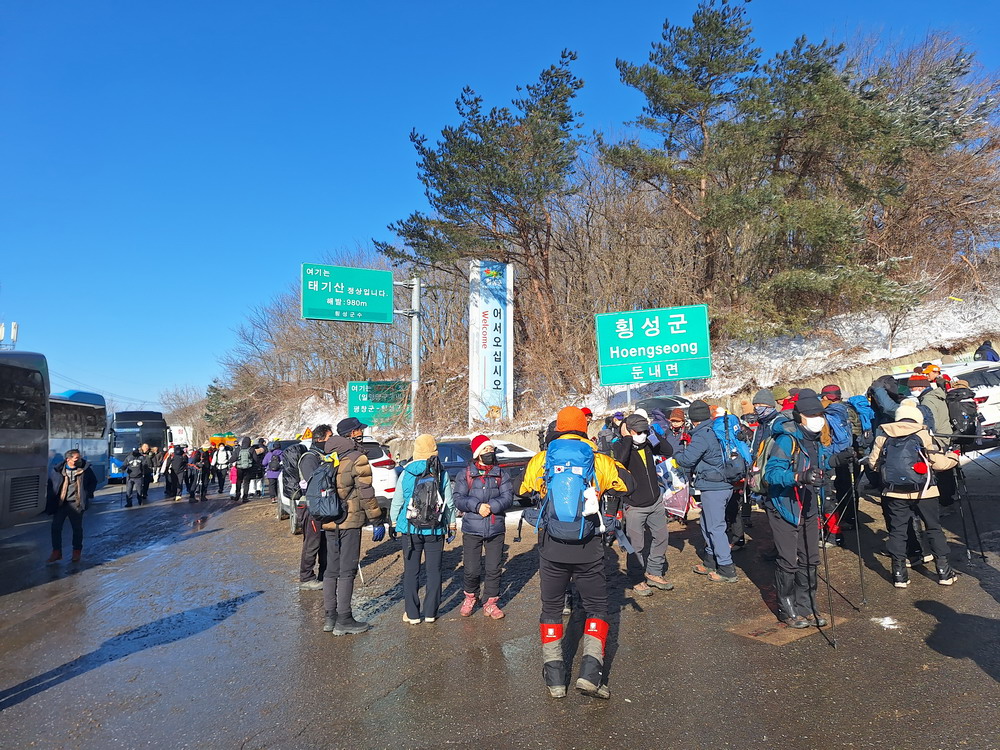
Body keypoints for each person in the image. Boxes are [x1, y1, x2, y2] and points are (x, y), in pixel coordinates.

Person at [519, 406, 627, 700]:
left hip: (552, 546)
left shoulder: (542, 459)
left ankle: (555, 679)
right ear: (584, 428)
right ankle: (591, 675)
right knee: (597, 607)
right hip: (588, 547)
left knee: (552, 609)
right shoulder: (598, 459)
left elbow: (522, 489)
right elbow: (627, 484)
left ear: (558, 429)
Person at [760, 389, 849, 628]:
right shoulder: (787, 439)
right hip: (785, 506)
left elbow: (817, 464)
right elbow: (772, 474)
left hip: (808, 505)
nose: (817, 419)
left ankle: (807, 605)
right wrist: (799, 477)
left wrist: (835, 461)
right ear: (800, 417)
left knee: (811, 558)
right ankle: (786, 608)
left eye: (819, 414)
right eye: (811, 415)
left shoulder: (814, 439)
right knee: (789, 560)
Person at [866, 400, 960, 587]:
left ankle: (899, 575)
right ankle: (944, 572)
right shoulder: (923, 434)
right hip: (924, 491)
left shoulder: (883, 435)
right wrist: (953, 457)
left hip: (893, 492)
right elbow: (939, 464)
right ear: (917, 418)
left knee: (897, 531)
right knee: (933, 528)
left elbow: (873, 464)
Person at [321, 434, 384, 636]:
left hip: (329, 519)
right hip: (350, 520)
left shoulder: (327, 458)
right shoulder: (357, 458)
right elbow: (366, 493)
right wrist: (376, 519)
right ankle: (345, 619)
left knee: (331, 570)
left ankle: (330, 617)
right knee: (347, 570)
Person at [391, 434, 457, 625]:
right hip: (435, 529)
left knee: (411, 572)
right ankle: (430, 613)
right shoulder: (441, 472)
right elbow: (449, 503)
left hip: (410, 528)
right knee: (434, 571)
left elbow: (398, 500)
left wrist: (394, 522)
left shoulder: (407, 472)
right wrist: (452, 524)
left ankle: (412, 614)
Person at [673, 400, 739, 583]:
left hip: (714, 486)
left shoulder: (703, 435)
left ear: (693, 418)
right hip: (723, 484)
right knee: (706, 523)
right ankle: (710, 560)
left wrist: (676, 454)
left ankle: (726, 568)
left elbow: (687, 460)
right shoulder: (716, 430)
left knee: (716, 527)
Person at [612, 413, 674, 596]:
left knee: (661, 537)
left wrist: (653, 434)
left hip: (655, 501)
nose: (642, 434)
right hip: (634, 505)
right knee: (636, 546)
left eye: (644, 431)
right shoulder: (620, 445)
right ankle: (637, 579)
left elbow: (668, 450)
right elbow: (620, 461)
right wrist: (627, 439)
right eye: (638, 432)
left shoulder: (648, 443)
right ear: (629, 431)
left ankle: (654, 572)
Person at [454, 434, 515, 619]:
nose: (490, 452)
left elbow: (508, 497)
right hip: (472, 528)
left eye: (491, 449)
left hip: (495, 528)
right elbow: (458, 499)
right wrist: (477, 506)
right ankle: (470, 597)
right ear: (477, 453)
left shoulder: (501, 474)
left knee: (494, 569)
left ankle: (490, 602)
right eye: (486, 449)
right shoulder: (465, 474)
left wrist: (492, 506)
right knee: (471, 569)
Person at [296, 425, 333, 590]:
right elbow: (315, 483)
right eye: (329, 437)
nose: (331, 441)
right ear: (319, 439)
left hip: (321, 506)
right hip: (310, 506)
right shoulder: (309, 458)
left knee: (323, 541)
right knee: (312, 542)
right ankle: (306, 578)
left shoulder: (322, 456)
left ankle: (324, 573)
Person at [46, 449, 97, 563]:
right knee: (56, 528)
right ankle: (56, 552)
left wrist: (86, 494)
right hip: (61, 503)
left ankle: (76, 552)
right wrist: (51, 498)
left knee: (77, 529)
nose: (79, 460)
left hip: (76, 504)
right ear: (68, 459)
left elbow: (93, 481)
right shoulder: (58, 470)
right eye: (76, 458)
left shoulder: (85, 469)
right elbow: (51, 484)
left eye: (79, 458)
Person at [233, 437, 260, 503]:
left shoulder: (238, 449)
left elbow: (233, 458)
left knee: (239, 481)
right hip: (249, 468)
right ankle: (245, 497)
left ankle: (238, 494)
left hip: (239, 468)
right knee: (246, 482)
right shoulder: (251, 449)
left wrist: (230, 462)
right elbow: (256, 459)